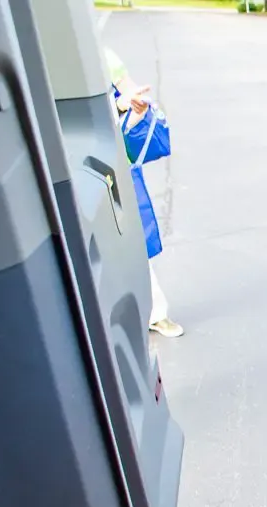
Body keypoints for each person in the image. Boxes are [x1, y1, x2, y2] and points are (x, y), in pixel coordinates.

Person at [105, 47, 183, 338]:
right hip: (74, 164)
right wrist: (118, 105)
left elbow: (130, 95)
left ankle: (155, 312)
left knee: (135, 239)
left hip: (115, 165)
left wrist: (134, 108)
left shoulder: (103, 56)